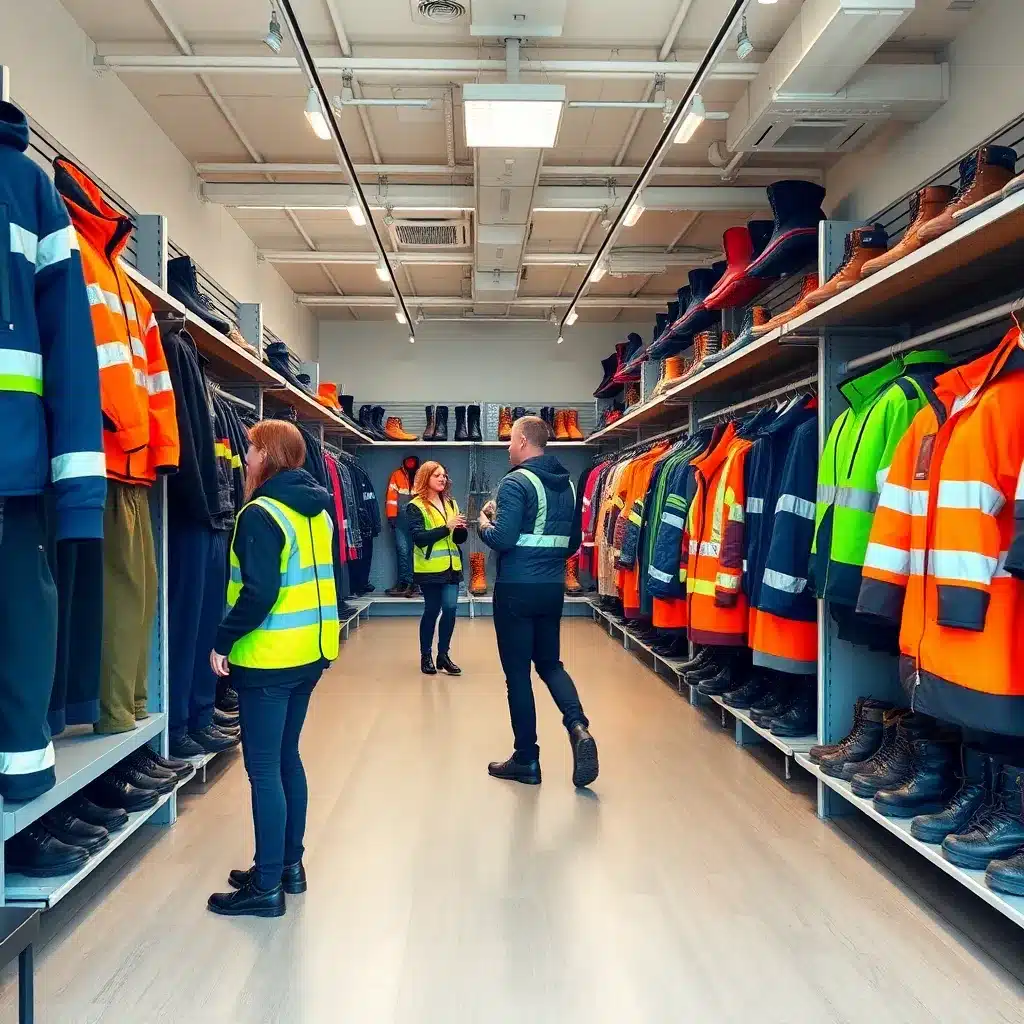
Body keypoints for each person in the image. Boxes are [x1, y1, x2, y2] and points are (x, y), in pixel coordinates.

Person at [206, 420, 339, 919]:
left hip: (269, 657)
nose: (246, 456)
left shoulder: (260, 513)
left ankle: (265, 887)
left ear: (266, 454)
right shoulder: (316, 510)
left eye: (251, 448)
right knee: (287, 759)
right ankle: (288, 867)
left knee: (263, 769)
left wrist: (224, 638)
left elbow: (259, 592)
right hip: (309, 651)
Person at [478, 415, 598, 788]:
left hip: (516, 589)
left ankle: (527, 759)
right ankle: (578, 726)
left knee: (518, 675)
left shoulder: (515, 482)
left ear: (524, 442)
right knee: (550, 664)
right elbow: (572, 543)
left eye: (511, 441)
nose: (508, 447)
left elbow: (502, 539)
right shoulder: (568, 486)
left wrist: (484, 523)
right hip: (551, 588)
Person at [406, 461, 467, 676]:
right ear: (426, 478)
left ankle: (443, 655)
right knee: (432, 610)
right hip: (429, 568)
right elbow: (419, 538)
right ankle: (426, 655)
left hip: (452, 566)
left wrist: (460, 529)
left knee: (450, 608)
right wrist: (446, 527)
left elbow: (458, 539)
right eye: (437, 475)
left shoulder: (451, 503)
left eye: (444, 475)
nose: (442, 478)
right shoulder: (415, 506)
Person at [384, 455, 420, 598]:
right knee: (402, 550)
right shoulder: (397, 475)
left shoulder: (422, 475)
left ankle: (413, 584)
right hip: (400, 518)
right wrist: (392, 516)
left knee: (415, 551)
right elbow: (391, 498)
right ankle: (404, 583)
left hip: (416, 517)